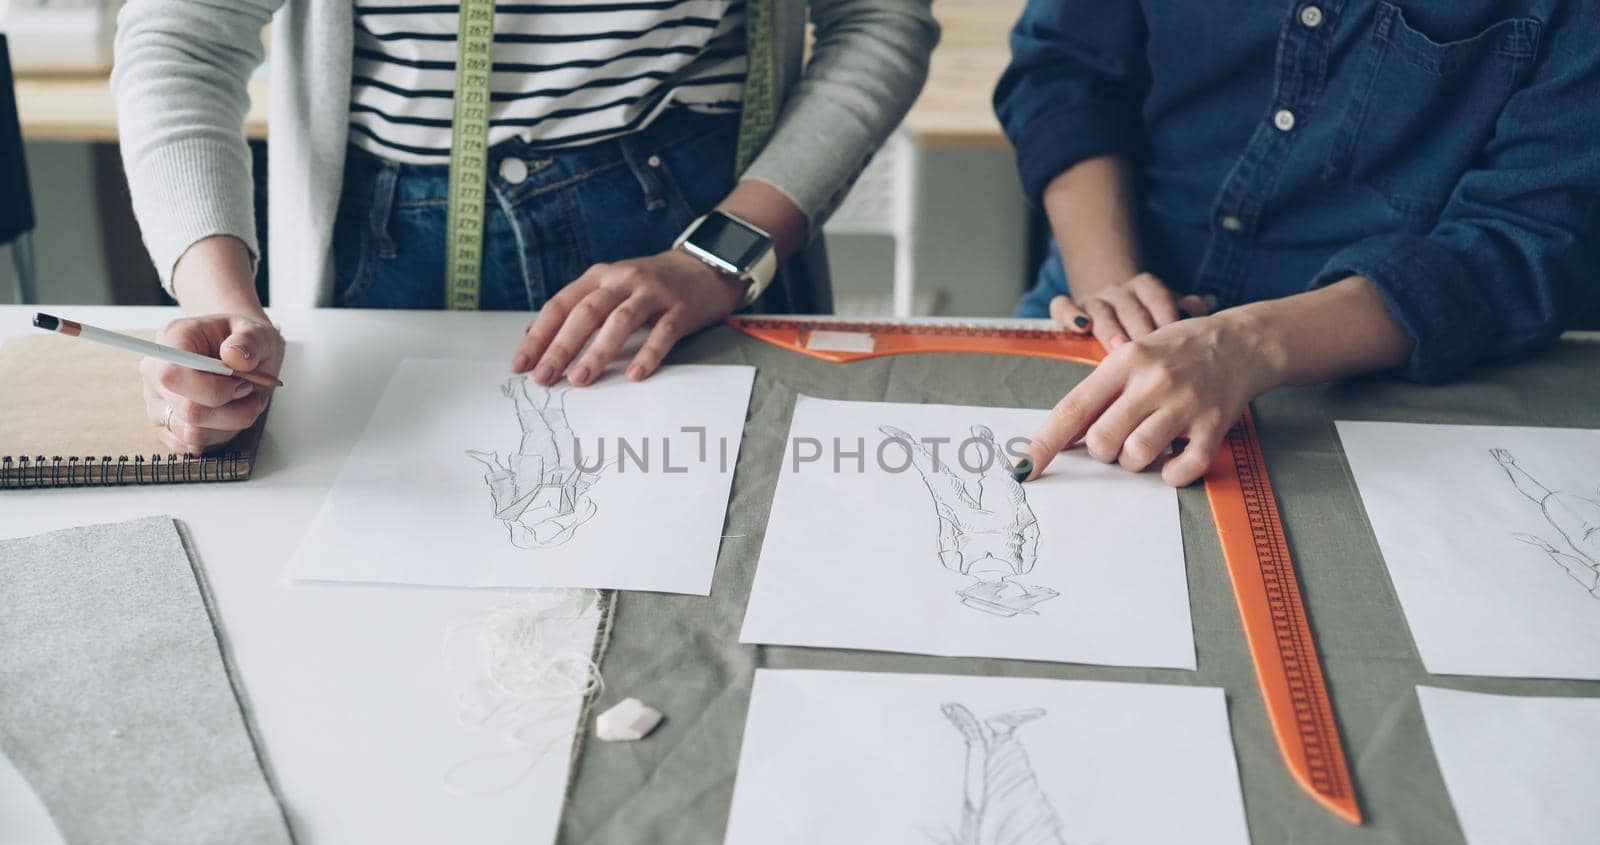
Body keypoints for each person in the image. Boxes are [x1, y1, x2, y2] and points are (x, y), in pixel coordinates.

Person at [113, 0, 938, 455]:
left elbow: (879, 14)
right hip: (391, 243)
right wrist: (223, 306)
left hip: (698, 229)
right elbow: (181, 36)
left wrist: (723, 254)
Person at [996, 1, 1600, 487]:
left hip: (1380, 378)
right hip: (1103, 306)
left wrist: (1247, 344)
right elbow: (1065, 71)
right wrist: (1108, 285)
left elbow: (1536, 236)